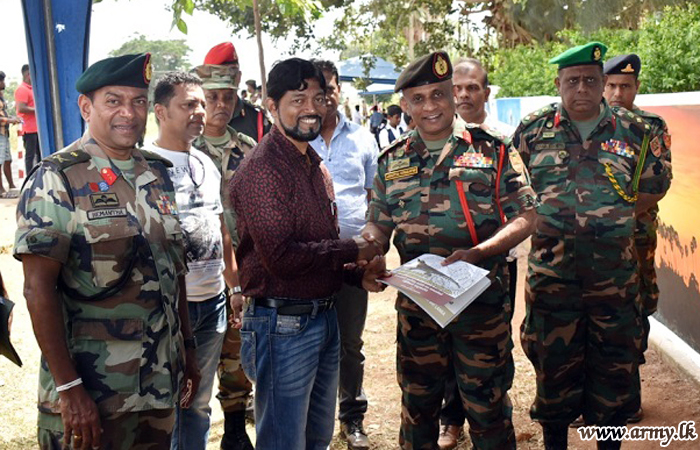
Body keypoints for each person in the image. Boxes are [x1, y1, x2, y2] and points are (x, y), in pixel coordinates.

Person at [14, 53, 201, 450]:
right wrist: (69, 387)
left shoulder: (157, 172)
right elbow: (37, 289)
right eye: (113, 101)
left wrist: (187, 348)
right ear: (86, 107)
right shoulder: (58, 177)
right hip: (93, 393)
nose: (128, 113)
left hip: (157, 386)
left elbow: (174, 269)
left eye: (138, 101)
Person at [362, 51, 537, 450]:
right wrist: (370, 251)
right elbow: (379, 224)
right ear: (405, 104)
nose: (430, 106)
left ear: (451, 96)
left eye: (438, 95)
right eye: (418, 99)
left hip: (481, 308)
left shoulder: (493, 149)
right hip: (419, 312)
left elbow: (527, 216)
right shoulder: (392, 160)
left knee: (488, 411)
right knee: (418, 411)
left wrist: (480, 252)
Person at [513, 42, 671, 450]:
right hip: (552, 280)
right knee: (553, 377)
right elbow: (514, 191)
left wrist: (613, 216)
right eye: (572, 81)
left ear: (603, 83)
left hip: (614, 281)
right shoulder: (532, 130)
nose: (581, 88)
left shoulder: (636, 131)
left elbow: (656, 184)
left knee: (613, 379)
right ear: (558, 84)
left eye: (589, 80)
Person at [230, 57, 386, 450]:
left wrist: (356, 274)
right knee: (284, 442)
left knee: (317, 438)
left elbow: (316, 250)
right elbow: (282, 258)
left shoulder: (314, 166)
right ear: (271, 105)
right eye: (297, 100)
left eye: (318, 98)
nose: (311, 109)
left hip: (323, 316)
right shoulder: (262, 169)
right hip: (282, 325)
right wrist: (354, 247)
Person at [147, 71, 239, 450]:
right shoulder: (145, 165)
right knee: (166, 405)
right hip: (168, 310)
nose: (200, 111)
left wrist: (235, 287)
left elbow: (222, 230)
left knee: (198, 403)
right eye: (189, 104)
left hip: (213, 304)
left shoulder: (206, 163)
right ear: (161, 112)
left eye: (202, 103)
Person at [438, 57, 518, 449]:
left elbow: (521, 205)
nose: (464, 95)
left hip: (494, 265)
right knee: (448, 341)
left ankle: (495, 410)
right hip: (447, 265)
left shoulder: (503, 139)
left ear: (486, 92)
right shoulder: (438, 138)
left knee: (494, 342)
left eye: (472, 88)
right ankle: (451, 420)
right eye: (457, 88)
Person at [309, 59, 379, 450]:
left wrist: (372, 247)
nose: (325, 97)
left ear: (339, 90)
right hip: (309, 263)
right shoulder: (296, 139)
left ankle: (352, 417)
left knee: (350, 343)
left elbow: (373, 197)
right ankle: (312, 419)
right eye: (317, 91)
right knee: (310, 342)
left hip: (354, 262)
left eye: (330, 89)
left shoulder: (363, 139)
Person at [603, 53, 672, 424]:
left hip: (635, 237)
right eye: (611, 85)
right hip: (592, 242)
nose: (617, 93)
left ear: (637, 87)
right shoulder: (587, 124)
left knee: (635, 309)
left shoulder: (650, 127)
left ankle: (628, 399)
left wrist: (615, 217)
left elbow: (658, 185)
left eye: (625, 86)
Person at [191, 62, 257, 450]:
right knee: (195, 357)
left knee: (237, 348)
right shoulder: (181, 149)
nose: (220, 105)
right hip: (196, 269)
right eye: (212, 97)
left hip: (241, 266)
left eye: (227, 97)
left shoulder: (249, 150)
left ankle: (234, 428)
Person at [204, 42, 271, 142]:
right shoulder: (193, 118)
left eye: (230, 74)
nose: (224, 80)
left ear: (239, 77)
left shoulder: (258, 120)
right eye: (218, 75)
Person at [15, 64, 41, 174]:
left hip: (37, 128)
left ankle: (40, 176)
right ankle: (30, 178)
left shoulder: (32, 89)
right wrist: (38, 110)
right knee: (30, 156)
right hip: (29, 129)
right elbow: (21, 108)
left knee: (40, 155)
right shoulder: (22, 89)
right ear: (28, 75)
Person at [0, 71, 20, 196]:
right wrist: (9, 120)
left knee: (8, 159)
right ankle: (1, 189)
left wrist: (12, 118)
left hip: (4, 132)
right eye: (2, 80)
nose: (4, 83)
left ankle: (11, 185)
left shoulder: (1, 96)